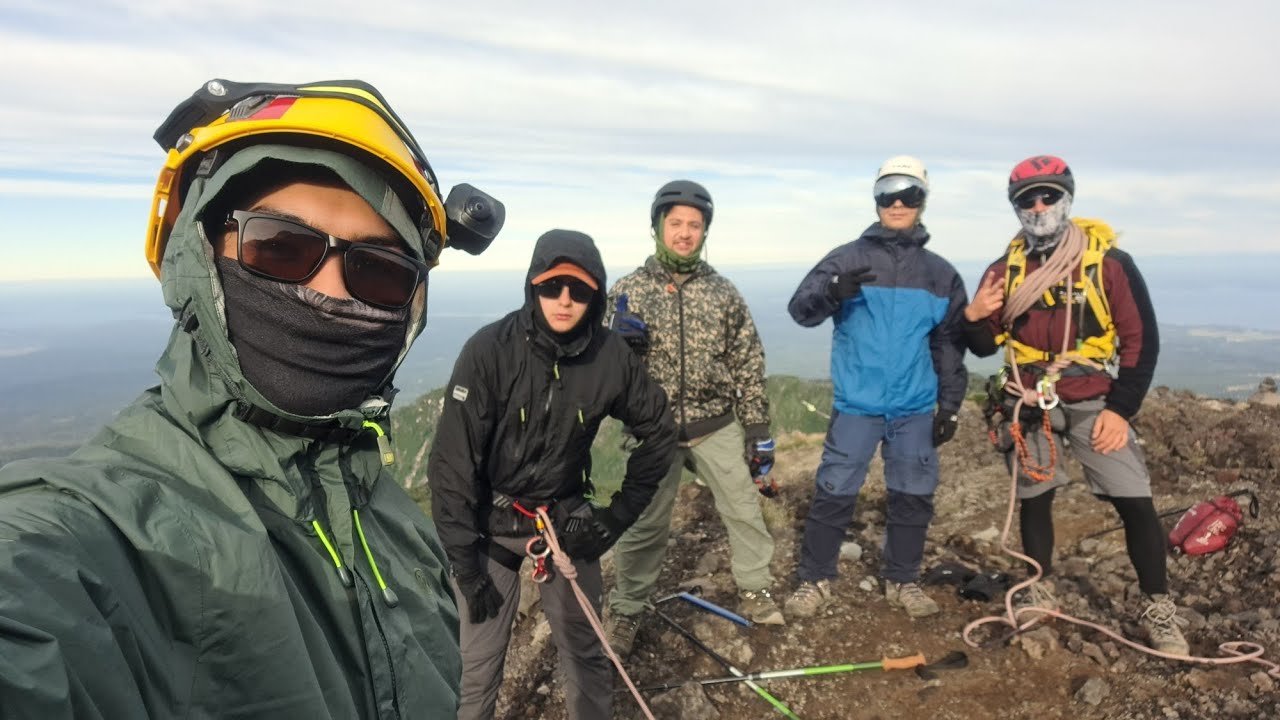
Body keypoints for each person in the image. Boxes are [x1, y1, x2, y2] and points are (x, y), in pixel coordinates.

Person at [0, 79, 508, 717]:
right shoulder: (101, 536)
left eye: (378, 270)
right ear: (199, 255)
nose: (331, 292)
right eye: (280, 247)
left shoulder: (400, 527)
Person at [427, 229, 676, 720]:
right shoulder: (491, 351)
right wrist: (465, 566)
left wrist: (614, 519)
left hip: (563, 520)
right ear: (532, 286)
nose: (564, 300)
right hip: (491, 523)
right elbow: (452, 464)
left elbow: (660, 432)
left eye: (579, 290)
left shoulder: (609, 356)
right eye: (552, 286)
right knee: (476, 667)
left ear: (595, 296)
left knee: (585, 655)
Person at [963, 155, 1189, 655]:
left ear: (1067, 199)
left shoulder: (1109, 264)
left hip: (1092, 399)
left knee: (1134, 500)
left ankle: (1159, 608)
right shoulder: (1005, 270)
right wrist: (973, 316)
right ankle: (1037, 587)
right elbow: (982, 345)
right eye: (1028, 199)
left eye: (1049, 196)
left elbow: (1141, 340)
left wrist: (1120, 411)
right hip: (1026, 398)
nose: (1039, 206)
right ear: (1016, 207)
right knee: (1035, 497)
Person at [604, 179, 784, 658]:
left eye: (694, 225)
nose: (684, 233)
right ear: (657, 227)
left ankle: (756, 590)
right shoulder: (627, 290)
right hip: (652, 427)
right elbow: (597, 362)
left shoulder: (722, 292)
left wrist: (758, 429)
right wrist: (616, 346)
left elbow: (747, 360)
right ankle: (627, 608)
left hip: (714, 423)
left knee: (743, 509)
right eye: (676, 223)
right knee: (644, 523)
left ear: (705, 231)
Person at [785, 156, 968, 620]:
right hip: (857, 404)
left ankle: (903, 580)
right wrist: (831, 291)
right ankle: (814, 579)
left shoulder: (940, 274)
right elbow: (801, 310)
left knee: (913, 496)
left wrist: (949, 405)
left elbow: (948, 345)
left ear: (923, 200)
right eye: (888, 192)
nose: (898, 202)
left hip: (914, 407)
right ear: (876, 199)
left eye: (909, 192)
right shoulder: (847, 259)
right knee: (834, 492)